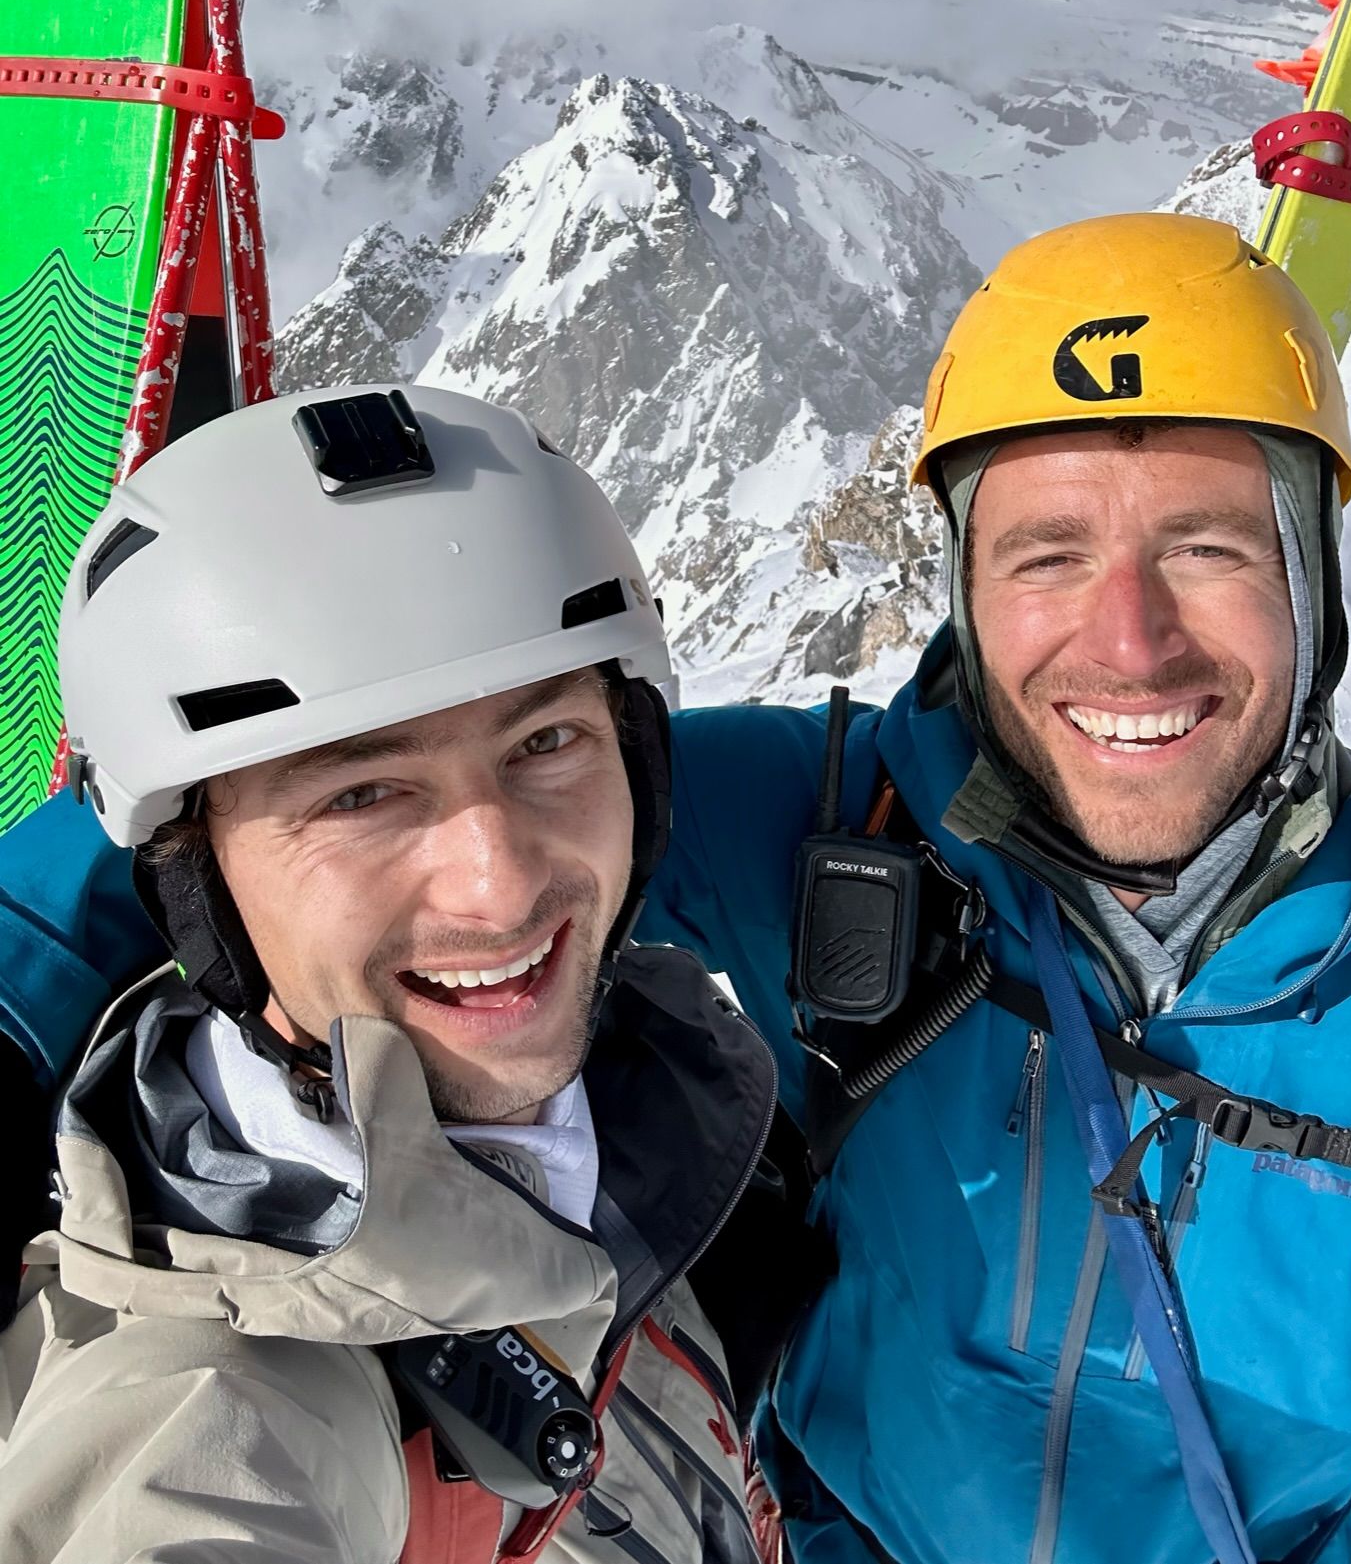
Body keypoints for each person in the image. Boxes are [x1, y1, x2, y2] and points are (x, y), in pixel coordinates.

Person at [3, 215, 1351, 1563]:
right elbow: (306, 800)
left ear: (1316, 582)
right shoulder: (832, 822)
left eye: (1206, 548)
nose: (1129, 644)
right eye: (1047, 557)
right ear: (960, 590)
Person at [0, 384, 775, 1564]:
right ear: (195, 880)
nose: (497, 883)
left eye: (546, 743)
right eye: (360, 795)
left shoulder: (620, 1126)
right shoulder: (207, 1407)